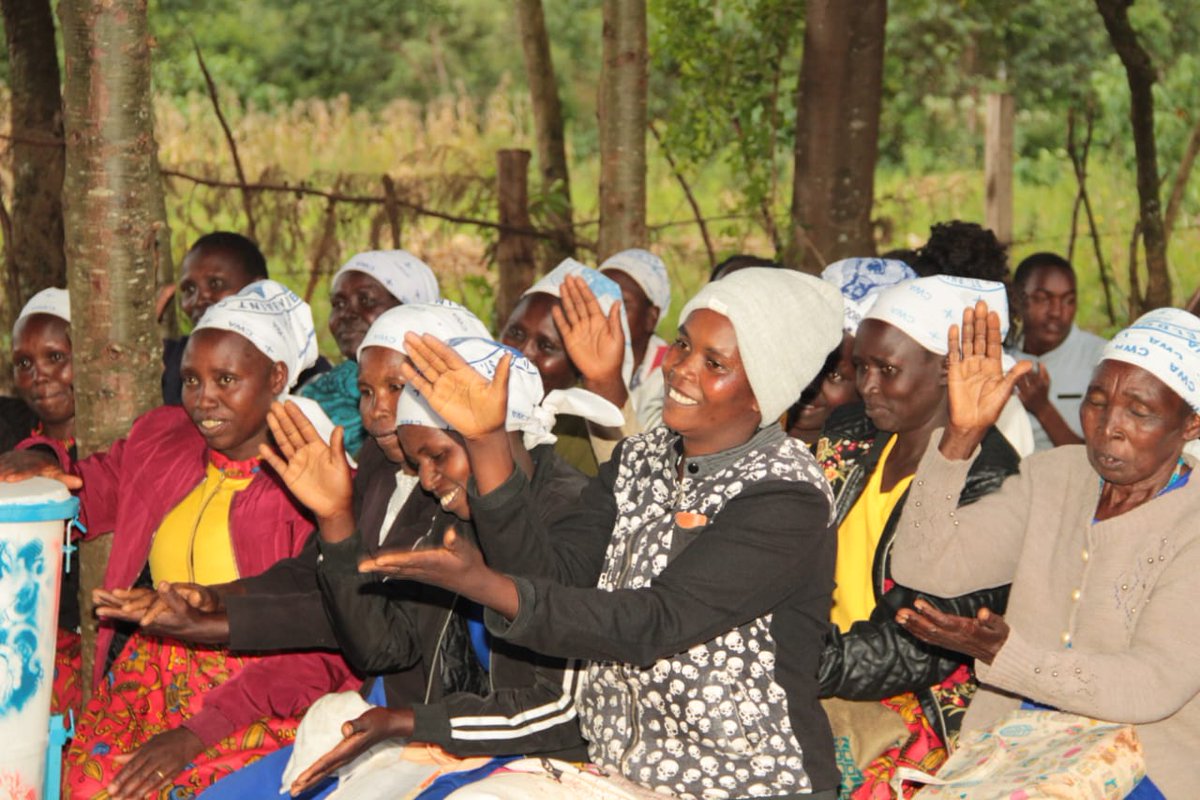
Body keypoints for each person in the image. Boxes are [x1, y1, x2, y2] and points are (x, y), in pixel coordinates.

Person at [372, 267, 847, 799]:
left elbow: (655, 622)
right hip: (624, 773)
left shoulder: (786, 496)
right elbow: (556, 577)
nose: (681, 370)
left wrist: (482, 585)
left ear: (767, 389)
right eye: (684, 346)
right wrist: (485, 443)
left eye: (713, 364)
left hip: (746, 782)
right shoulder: (639, 458)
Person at [2, 280, 357, 799]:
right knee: (85, 784)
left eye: (226, 379)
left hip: (261, 688)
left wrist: (195, 735)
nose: (204, 397)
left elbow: (325, 639)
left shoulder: (315, 482)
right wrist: (47, 460)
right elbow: (98, 482)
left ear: (277, 376)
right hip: (152, 667)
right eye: (191, 379)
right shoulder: (165, 438)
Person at [891, 305, 1200, 798]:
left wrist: (1004, 653)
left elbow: (1151, 683)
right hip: (1016, 746)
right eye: (1096, 402)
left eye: (1139, 413)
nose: (1108, 428)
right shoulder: (1055, 476)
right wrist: (960, 436)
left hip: (1145, 763)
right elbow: (924, 566)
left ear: (1191, 426)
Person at [812, 276, 1019, 797]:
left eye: (887, 369)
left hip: (921, 704)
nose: (867, 386)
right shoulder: (851, 436)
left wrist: (797, 660)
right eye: (861, 366)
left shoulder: (992, 480)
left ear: (951, 368)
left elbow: (920, 642)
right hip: (822, 665)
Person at [4, 287, 82, 714]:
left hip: (76, 642)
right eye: (24, 364)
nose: (39, 375)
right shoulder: (12, 434)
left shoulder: (121, 448)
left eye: (56, 357)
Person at [300, 249, 440, 458]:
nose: (347, 314)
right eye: (338, 304)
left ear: (411, 307)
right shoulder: (312, 391)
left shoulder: (435, 395)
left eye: (366, 300)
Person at [499, 258, 631, 475]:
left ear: (579, 369)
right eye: (516, 333)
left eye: (547, 346)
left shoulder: (590, 442)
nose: (524, 354)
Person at [786, 258, 917, 446]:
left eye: (835, 375)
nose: (808, 384)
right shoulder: (747, 430)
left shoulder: (870, 461)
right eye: (805, 361)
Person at [1006, 252, 1107, 451]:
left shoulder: (1101, 359)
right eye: (1043, 299)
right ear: (1017, 299)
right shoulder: (1002, 356)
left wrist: (1043, 409)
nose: (1056, 312)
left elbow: (1102, 458)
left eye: (1068, 300)